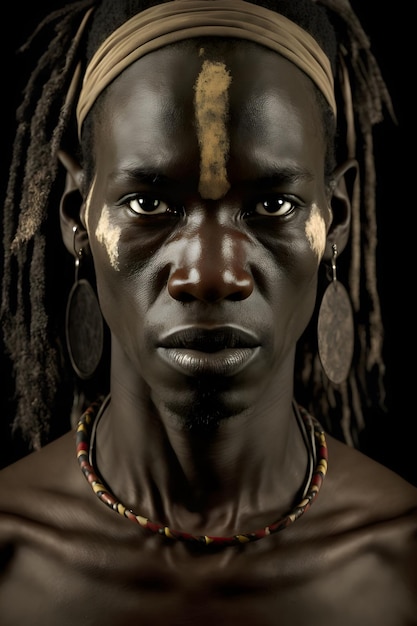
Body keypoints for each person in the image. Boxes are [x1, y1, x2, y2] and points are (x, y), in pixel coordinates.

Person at [0, 0, 416, 624]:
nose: (213, 275)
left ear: (336, 220)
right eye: (146, 204)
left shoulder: (404, 563)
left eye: (273, 205)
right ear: (75, 216)